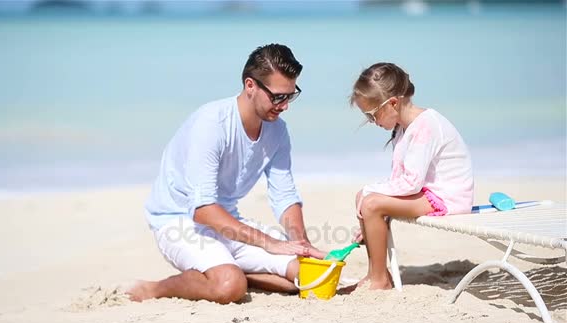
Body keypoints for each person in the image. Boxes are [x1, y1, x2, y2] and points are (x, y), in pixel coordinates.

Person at [127, 44, 326, 304]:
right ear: (250, 86)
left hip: (227, 221)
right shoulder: (211, 124)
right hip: (180, 221)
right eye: (278, 97)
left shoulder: (278, 131)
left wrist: (302, 245)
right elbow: (203, 210)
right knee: (229, 285)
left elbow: (285, 195)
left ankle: (236, 269)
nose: (284, 106)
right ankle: (153, 289)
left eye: (290, 96)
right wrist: (269, 243)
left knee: (306, 274)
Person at [349, 62, 474, 290]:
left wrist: (371, 197)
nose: (372, 122)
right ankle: (376, 272)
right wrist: (368, 223)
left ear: (393, 103)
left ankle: (379, 281)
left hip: (448, 197)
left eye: (372, 115)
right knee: (366, 199)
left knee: (372, 203)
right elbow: (400, 178)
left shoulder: (426, 125)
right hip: (427, 192)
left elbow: (410, 183)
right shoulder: (403, 127)